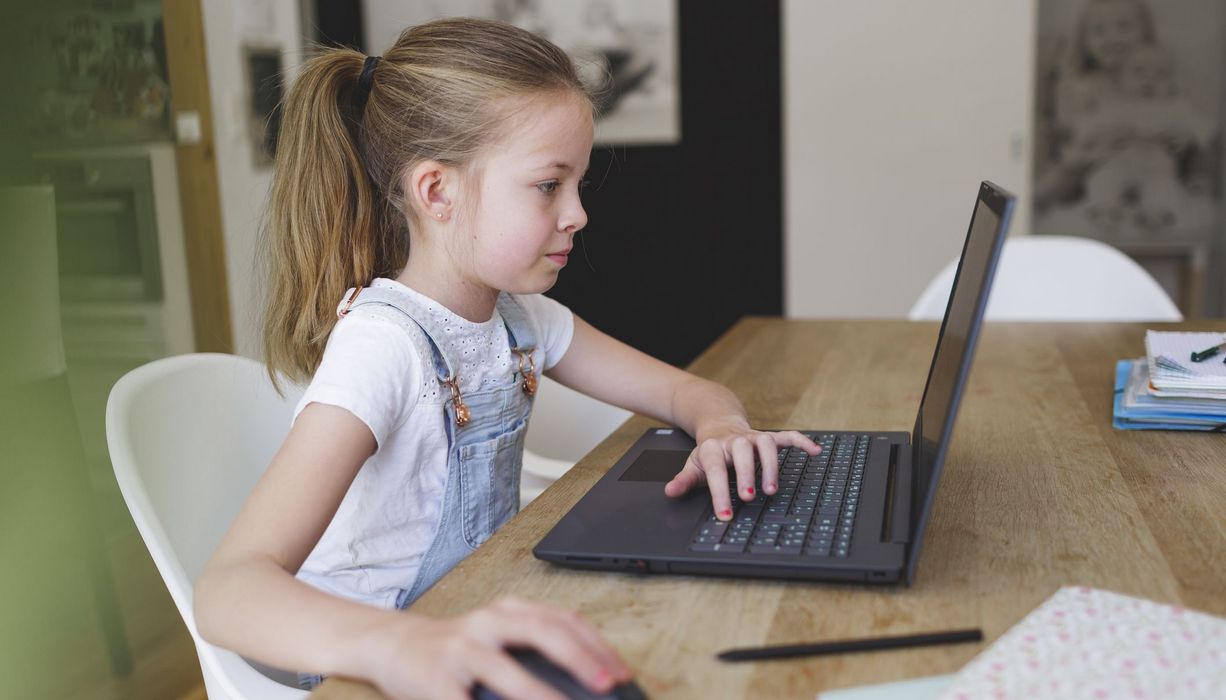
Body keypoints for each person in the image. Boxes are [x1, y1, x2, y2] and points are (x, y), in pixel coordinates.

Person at [193, 17, 819, 700]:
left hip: (472, 615)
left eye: (576, 184)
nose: (577, 213)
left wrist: (723, 428)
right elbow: (230, 589)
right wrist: (400, 645)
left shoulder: (523, 324)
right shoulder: (382, 348)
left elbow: (686, 393)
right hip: (369, 665)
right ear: (437, 192)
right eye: (550, 185)